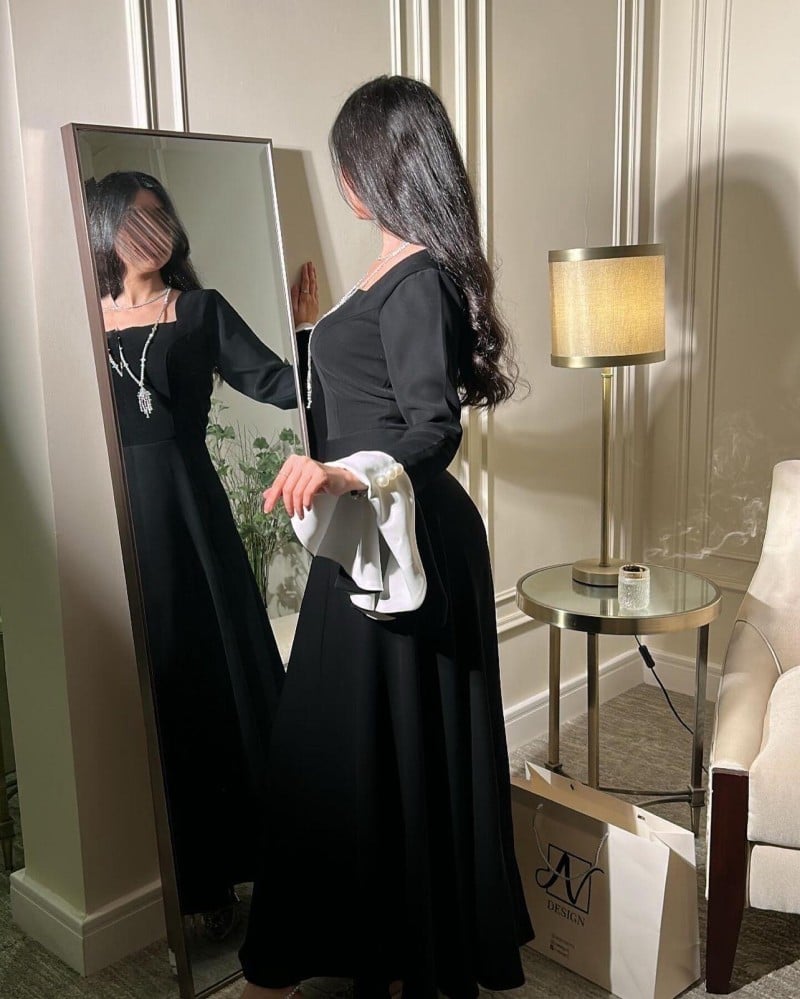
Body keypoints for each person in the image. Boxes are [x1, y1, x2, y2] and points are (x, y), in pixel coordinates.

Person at [238, 76, 533, 999]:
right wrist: (310, 331)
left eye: (350, 162)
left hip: (408, 544)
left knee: (381, 745)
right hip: (364, 535)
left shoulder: (419, 281)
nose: (343, 181)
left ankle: (402, 954)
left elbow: (432, 428)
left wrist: (345, 474)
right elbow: (353, 393)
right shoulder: (385, 275)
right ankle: (363, 947)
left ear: (387, 163)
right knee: (345, 745)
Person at [89, 171, 319, 928]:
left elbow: (284, 386)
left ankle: (270, 856)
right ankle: (187, 879)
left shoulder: (199, 310)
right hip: (116, 522)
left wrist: (308, 334)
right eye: (135, 219)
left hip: (191, 516)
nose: (152, 232)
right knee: (156, 687)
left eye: (161, 216)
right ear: (104, 228)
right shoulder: (82, 320)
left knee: (217, 674)